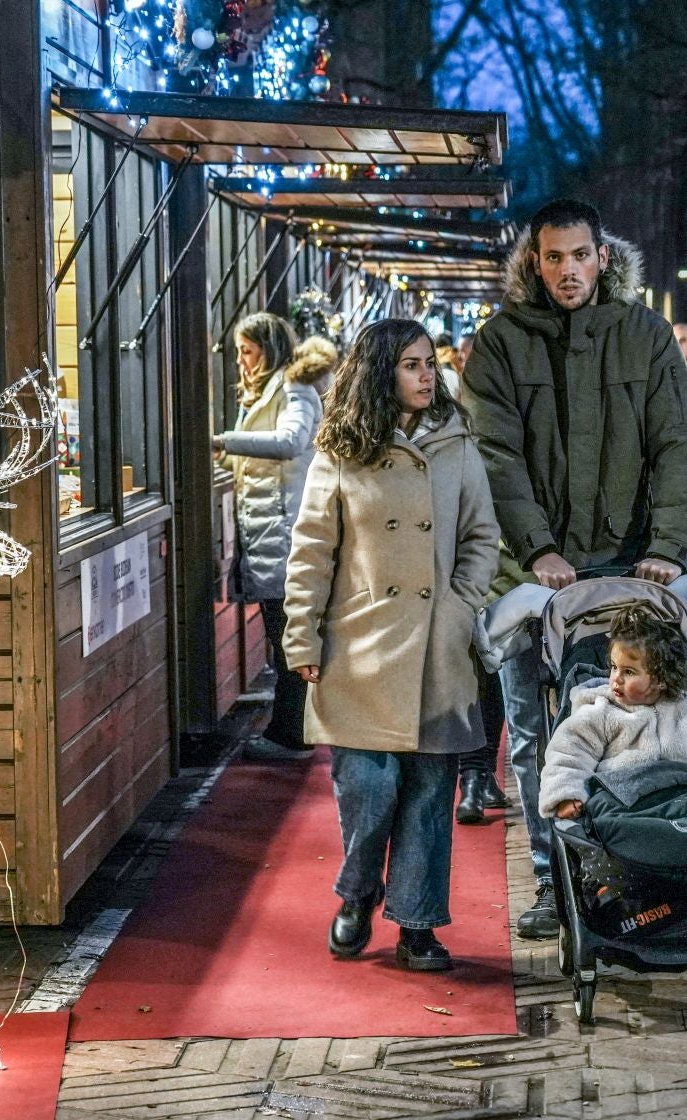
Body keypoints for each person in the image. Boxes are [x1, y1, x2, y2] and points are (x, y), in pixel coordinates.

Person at [461, 196, 687, 939]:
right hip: (528, 576)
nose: (568, 270)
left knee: (634, 724)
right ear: (534, 263)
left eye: (580, 255)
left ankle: (630, 872)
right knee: (534, 734)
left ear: (603, 257)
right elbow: (494, 454)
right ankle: (552, 878)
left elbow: (678, 444)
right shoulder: (500, 342)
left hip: (629, 573)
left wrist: (667, 547)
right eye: (553, 257)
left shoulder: (645, 333)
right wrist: (537, 546)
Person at [284, 318, 500, 969]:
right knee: (368, 789)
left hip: (437, 645)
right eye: (411, 364)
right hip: (359, 643)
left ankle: (418, 924)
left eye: (430, 363)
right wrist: (302, 634)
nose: (427, 375)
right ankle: (357, 891)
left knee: (430, 794)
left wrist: (459, 606)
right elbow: (312, 549)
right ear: (381, 372)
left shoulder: (457, 442)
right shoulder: (341, 447)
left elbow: (481, 535)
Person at [215, 312, 335, 762]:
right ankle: (290, 729)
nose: (241, 361)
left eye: (247, 351)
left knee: (289, 639)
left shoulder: (293, 387)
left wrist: (224, 442)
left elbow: (291, 441)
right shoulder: (271, 389)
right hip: (270, 530)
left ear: (268, 349)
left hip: (284, 530)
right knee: (283, 637)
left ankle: (293, 734)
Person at [538, 606, 687, 819]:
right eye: (614, 667)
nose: (616, 678)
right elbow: (570, 751)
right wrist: (566, 793)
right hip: (625, 805)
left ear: (661, 680)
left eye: (628, 672)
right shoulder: (601, 712)